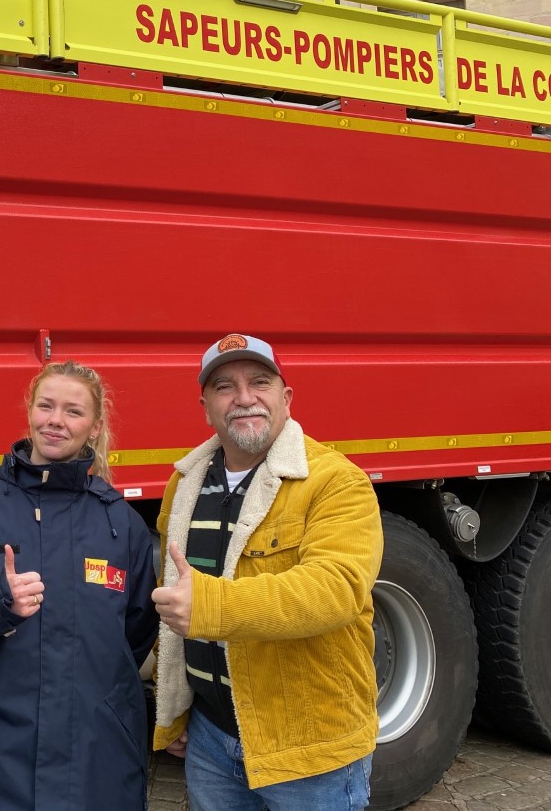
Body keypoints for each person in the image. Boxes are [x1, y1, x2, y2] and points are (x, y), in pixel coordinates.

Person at [151, 333, 383, 811]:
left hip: (309, 751)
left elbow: (335, 590)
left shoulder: (337, 481)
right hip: (212, 739)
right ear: (206, 406)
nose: (244, 398)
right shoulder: (185, 483)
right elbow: (171, 601)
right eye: (224, 387)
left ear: (286, 398)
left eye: (260, 382)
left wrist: (211, 605)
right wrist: (177, 707)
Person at [0, 360, 158, 811]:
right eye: (46, 406)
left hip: (95, 746)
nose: (56, 420)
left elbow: (135, 631)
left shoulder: (120, 524)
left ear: (94, 427)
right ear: (29, 413)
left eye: (73, 411)